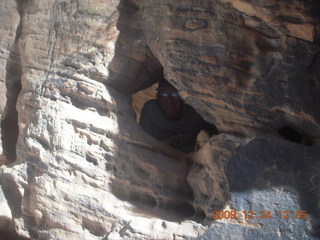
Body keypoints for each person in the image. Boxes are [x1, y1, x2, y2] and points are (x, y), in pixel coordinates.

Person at [140, 79, 218, 153]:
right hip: (155, 160)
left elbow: (217, 133)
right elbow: (142, 143)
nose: (169, 100)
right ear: (158, 97)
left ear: (183, 98)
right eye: (164, 94)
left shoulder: (195, 115)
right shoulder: (151, 110)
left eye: (175, 94)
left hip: (185, 163)